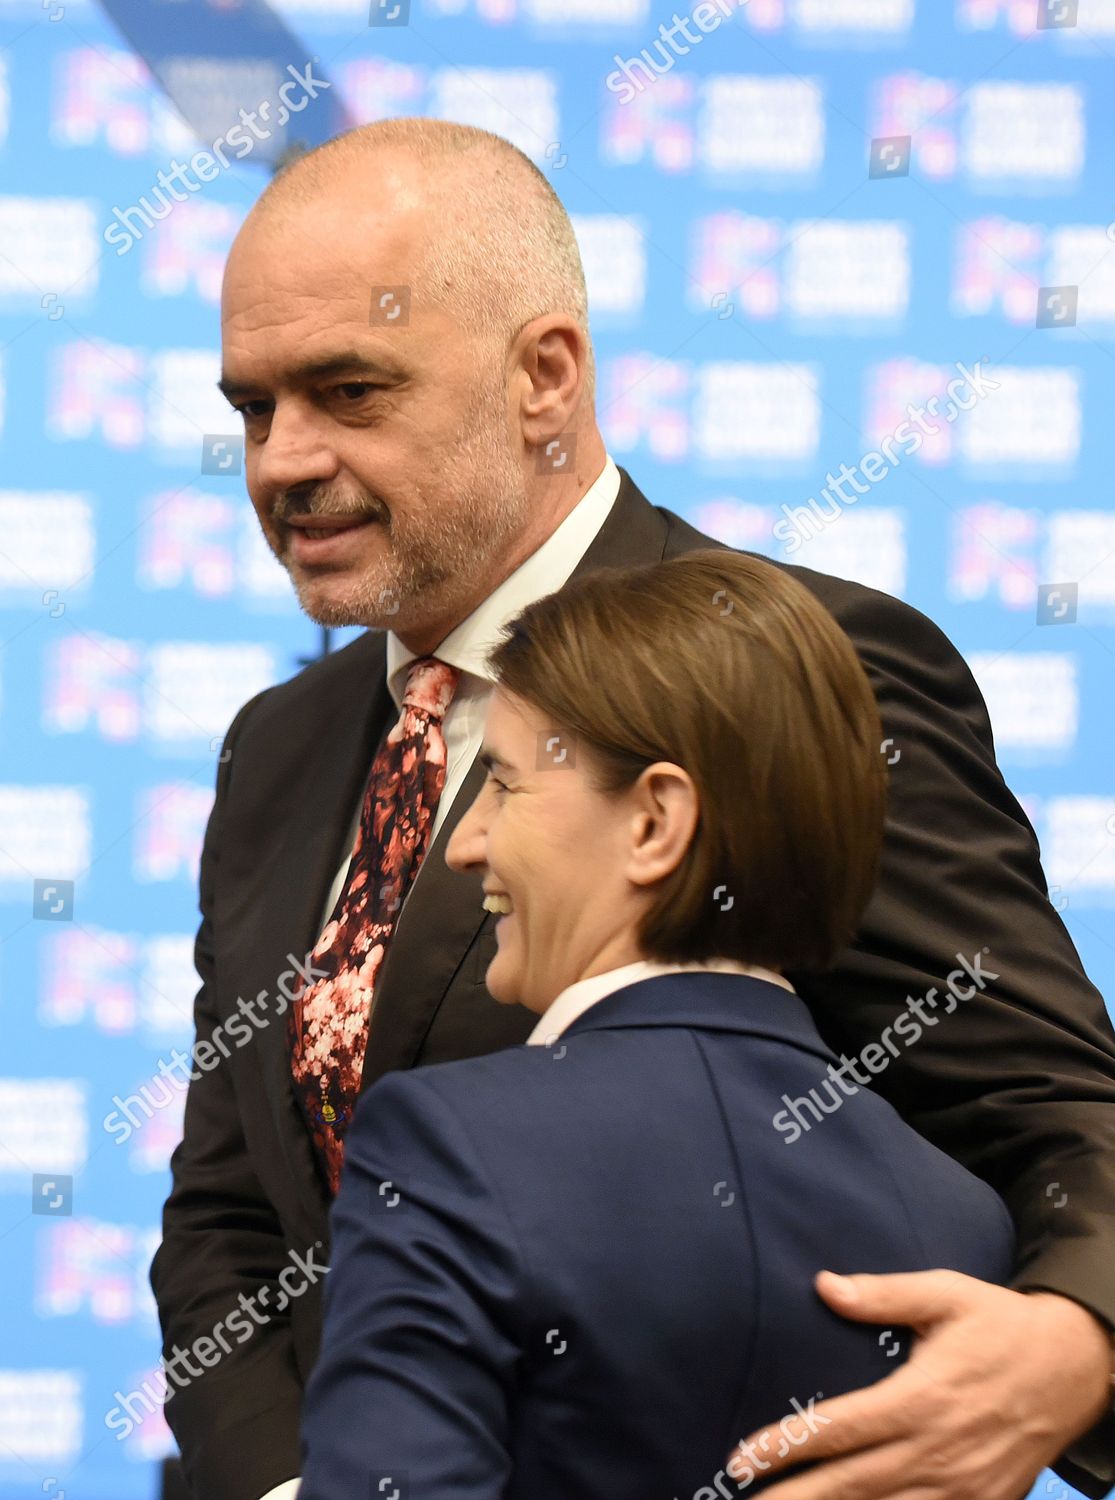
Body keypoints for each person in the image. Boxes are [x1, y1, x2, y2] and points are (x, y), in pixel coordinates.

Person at [149, 116, 1115, 1500]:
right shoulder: (278, 746)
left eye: (348, 392)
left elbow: (1048, 1102)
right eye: (253, 409)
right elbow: (233, 1211)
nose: (280, 461)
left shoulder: (792, 671)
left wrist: (1074, 1343)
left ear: (544, 375)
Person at [295, 547, 1018, 1499]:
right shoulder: (960, 1217)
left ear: (654, 823)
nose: (465, 843)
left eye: (503, 784)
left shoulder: (446, 1144)